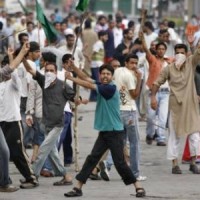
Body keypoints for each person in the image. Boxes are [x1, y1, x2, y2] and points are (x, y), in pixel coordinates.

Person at [63, 62, 146, 198]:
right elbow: (86, 78)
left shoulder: (110, 88)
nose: (105, 76)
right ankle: (78, 188)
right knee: (92, 159)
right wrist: (74, 68)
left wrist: (71, 78)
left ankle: (138, 187)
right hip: (105, 131)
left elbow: (88, 85)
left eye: (108, 74)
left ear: (112, 76)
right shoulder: (102, 85)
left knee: (119, 163)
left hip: (114, 132)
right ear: (100, 75)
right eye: (103, 74)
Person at [23, 56, 76, 185]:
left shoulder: (63, 84)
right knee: (52, 153)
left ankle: (33, 176)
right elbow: (30, 70)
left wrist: (72, 78)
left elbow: (75, 98)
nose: (49, 73)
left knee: (43, 150)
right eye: (47, 70)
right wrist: (23, 58)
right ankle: (65, 176)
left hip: (58, 124)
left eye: (52, 70)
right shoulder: (43, 81)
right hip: (45, 123)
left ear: (56, 72)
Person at [150, 43, 200, 174]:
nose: (180, 55)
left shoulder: (191, 64)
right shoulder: (169, 68)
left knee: (195, 136)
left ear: (186, 54)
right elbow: (157, 82)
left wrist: (193, 44)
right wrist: (153, 97)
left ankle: (193, 163)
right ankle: (174, 164)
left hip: (191, 105)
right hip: (176, 106)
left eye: (182, 53)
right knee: (174, 136)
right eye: (177, 52)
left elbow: (198, 53)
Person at [0, 43, 39, 189]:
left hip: (13, 121)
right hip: (1, 122)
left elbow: (12, 71)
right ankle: (4, 179)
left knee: (17, 153)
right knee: (3, 153)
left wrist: (12, 59)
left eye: (7, 66)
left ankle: (31, 177)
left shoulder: (14, 82)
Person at [114, 54, 146, 181]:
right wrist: (139, 79)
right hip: (130, 111)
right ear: (126, 63)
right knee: (134, 143)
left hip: (119, 110)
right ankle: (135, 173)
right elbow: (134, 95)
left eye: (136, 63)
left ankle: (109, 165)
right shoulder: (130, 76)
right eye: (132, 63)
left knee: (121, 143)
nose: (134, 66)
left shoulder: (118, 71)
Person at [140, 31, 171, 146]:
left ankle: (161, 138)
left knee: (163, 117)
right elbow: (146, 49)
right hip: (153, 92)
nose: (161, 51)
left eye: (163, 49)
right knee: (151, 117)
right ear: (156, 50)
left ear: (165, 50)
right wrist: (142, 39)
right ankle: (149, 134)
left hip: (165, 93)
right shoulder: (152, 60)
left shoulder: (169, 61)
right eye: (159, 49)